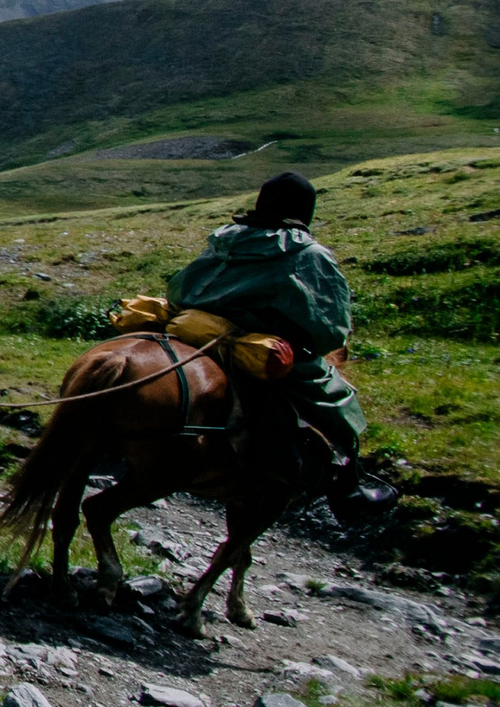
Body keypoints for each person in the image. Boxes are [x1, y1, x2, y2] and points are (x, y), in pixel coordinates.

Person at [165, 171, 391, 508]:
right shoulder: (309, 254)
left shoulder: (225, 240)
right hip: (256, 347)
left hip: (196, 332)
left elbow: (180, 288)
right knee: (337, 398)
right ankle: (348, 488)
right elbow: (329, 331)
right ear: (305, 210)